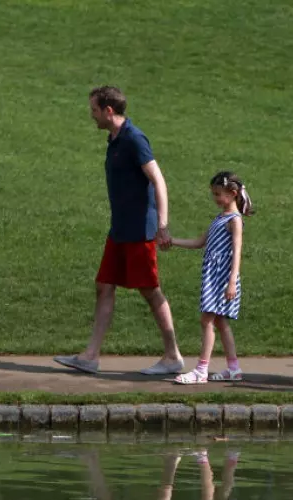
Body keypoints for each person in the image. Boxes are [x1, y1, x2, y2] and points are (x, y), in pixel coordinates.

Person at [54, 86, 185, 376]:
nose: (92, 115)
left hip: (139, 232)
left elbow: (158, 180)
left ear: (108, 110)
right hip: (120, 229)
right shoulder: (114, 139)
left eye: (94, 110)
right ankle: (90, 356)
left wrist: (162, 225)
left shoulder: (134, 139)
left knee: (150, 291)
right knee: (104, 286)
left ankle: (172, 356)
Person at [166, 171, 253, 384]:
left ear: (232, 194)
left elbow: (237, 251)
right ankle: (233, 368)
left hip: (222, 278)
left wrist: (232, 281)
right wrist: (172, 241)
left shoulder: (234, 220)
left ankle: (201, 370)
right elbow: (199, 242)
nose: (215, 198)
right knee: (220, 322)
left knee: (207, 320)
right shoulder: (220, 218)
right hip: (214, 275)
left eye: (218, 194)